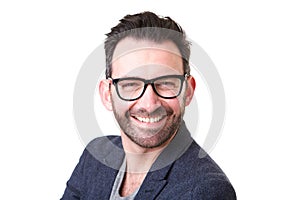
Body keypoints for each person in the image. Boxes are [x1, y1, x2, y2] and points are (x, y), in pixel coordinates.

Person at [61, 11, 236, 199]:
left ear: (188, 91)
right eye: (130, 84)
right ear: (107, 94)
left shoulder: (206, 191)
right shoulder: (95, 156)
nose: (149, 103)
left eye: (166, 82)